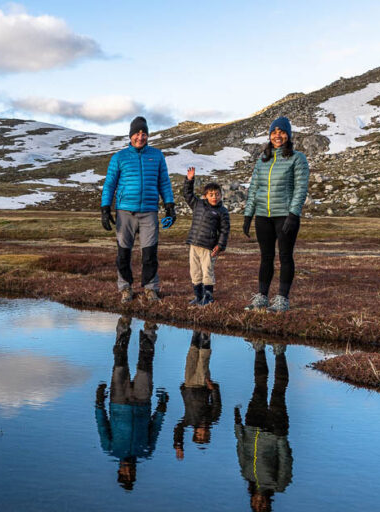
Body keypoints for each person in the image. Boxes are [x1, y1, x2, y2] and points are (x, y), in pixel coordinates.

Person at [101, 116, 176, 303]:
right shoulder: (119, 157)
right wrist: (105, 208)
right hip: (125, 212)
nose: (140, 137)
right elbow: (109, 184)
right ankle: (125, 288)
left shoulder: (157, 156)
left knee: (150, 254)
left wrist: (170, 206)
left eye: (144, 134)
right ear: (130, 135)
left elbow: (164, 182)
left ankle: (151, 288)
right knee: (123, 253)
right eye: (137, 133)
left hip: (149, 211)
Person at [242, 116, 309, 313]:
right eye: (274, 132)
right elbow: (254, 188)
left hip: (285, 215)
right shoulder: (263, 160)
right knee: (266, 257)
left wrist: (293, 214)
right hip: (263, 215)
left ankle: (282, 299)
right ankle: (262, 297)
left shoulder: (297, 158)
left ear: (288, 135)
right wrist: (248, 215)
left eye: (281, 132)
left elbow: (300, 188)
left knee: (285, 256)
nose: (277, 136)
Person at [95, 316, 168, 490]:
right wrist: (161, 409)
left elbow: (102, 425)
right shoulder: (146, 451)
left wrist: (99, 403)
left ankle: (124, 324)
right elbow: (155, 429)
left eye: (124, 474)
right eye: (131, 475)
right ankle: (150, 328)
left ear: (119, 470)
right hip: (143, 404)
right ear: (135, 473)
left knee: (120, 360)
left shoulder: (110, 448)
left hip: (118, 402)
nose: (128, 471)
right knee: (145, 363)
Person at [234, 341, 292, 512]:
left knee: (259, 386)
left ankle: (259, 349)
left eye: (255, 506)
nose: (259, 504)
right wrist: (281, 439)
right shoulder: (279, 485)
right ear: (268, 506)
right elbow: (285, 460)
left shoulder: (246, 475)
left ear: (251, 502)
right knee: (279, 389)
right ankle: (279, 351)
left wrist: (238, 428)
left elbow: (241, 450)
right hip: (275, 431)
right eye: (263, 507)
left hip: (251, 427)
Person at [183, 167, 230, 305]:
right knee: (194, 271)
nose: (214, 197)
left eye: (217, 194)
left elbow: (225, 230)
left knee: (207, 272)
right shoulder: (197, 204)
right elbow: (187, 194)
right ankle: (198, 296)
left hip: (209, 247)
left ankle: (208, 297)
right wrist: (189, 180)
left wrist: (220, 246)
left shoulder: (222, 211)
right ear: (205, 196)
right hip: (194, 244)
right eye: (211, 194)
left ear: (220, 196)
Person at [172, 331, 221, 460]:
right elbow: (217, 403)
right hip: (202, 385)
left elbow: (178, 429)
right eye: (204, 435)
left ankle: (196, 332)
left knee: (192, 356)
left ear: (195, 432)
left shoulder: (189, 421)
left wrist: (178, 444)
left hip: (188, 384)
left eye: (199, 435)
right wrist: (213, 389)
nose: (202, 432)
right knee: (203, 360)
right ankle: (206, 335)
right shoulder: (212, 419)